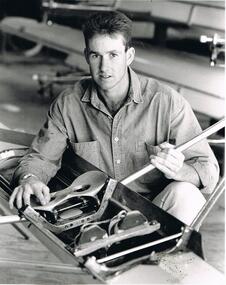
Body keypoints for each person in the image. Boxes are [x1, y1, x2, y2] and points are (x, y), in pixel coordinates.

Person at [9, 11, 219, 225]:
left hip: (151, 216)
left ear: (129, 56)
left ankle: (163, 256)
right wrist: (30, 179)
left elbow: (208, 171)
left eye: (113, 55)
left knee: (186, 194)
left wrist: (179, 170)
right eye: (95, 55)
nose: (104, 67)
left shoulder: (167, 102)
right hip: (91, 216)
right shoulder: (68, 103)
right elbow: (42, 157)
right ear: (86, 56)